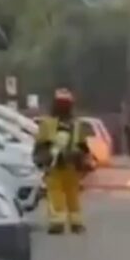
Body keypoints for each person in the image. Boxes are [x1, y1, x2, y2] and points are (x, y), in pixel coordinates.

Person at [33, 88, 93, 235]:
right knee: (68, 194)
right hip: (62, 165)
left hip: (66, 164)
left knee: (60, 194)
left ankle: (60, 223)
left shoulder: (48, 123)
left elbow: (40, 144)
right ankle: (74, 224)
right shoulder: (75, 124)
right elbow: (83, 147)